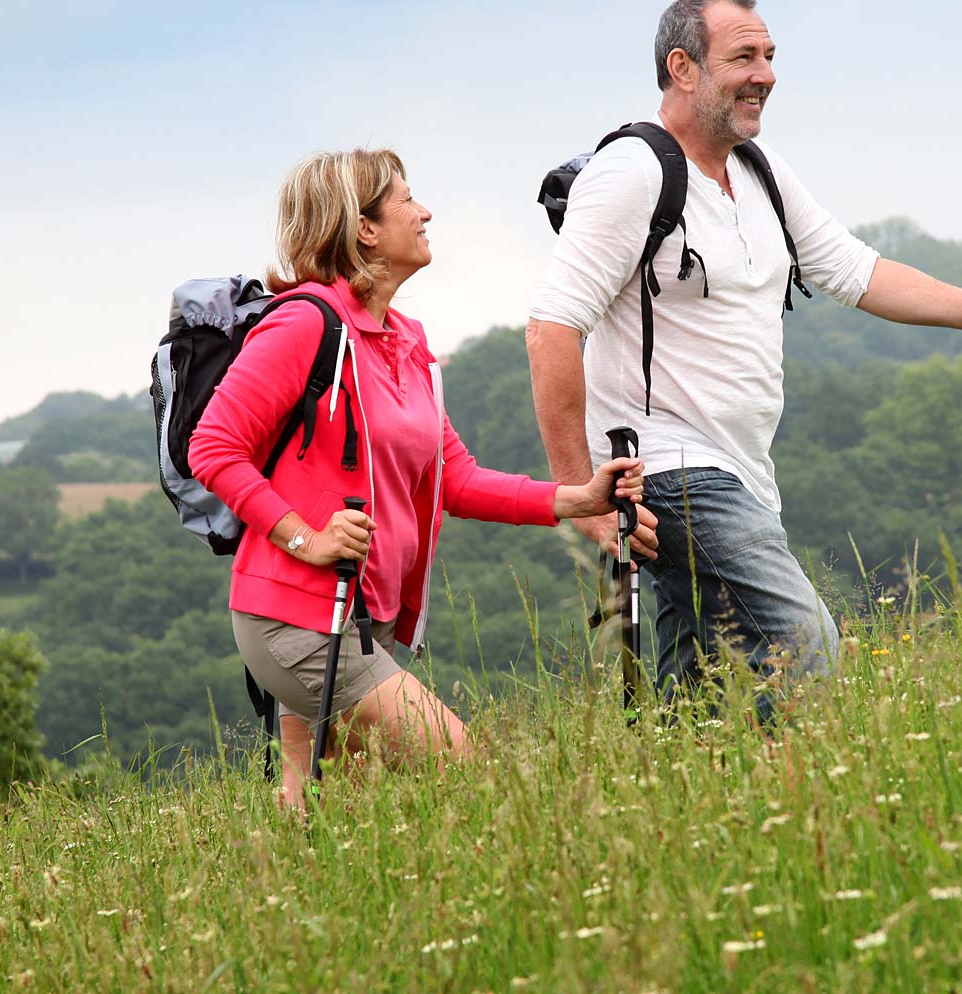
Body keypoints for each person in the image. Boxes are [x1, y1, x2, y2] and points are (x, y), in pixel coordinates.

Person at [527, 0, 962, 715]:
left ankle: (697, 810)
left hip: (746, 473)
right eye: (743, 56)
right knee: (806, 645)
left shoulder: (760, 170)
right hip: (672, 469)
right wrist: (578, 496)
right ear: (682, 68)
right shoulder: (631, 174)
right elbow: (552, 329)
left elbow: (858, 272)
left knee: (702, 697)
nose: (767, 74)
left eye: (770, 56)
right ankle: (816, 801)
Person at [191, 148, 643, 807]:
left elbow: (453, 480)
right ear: (363, 227)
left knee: (324, 806)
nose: (424, 211)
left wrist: (576, 499)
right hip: (298, 614)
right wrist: (304, 538)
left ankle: (272, 908)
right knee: (463, 763)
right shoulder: (304, 324)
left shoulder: (406, 341)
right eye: (406, 199)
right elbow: (214, 448)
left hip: (359, 613)